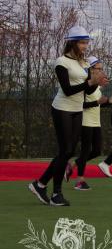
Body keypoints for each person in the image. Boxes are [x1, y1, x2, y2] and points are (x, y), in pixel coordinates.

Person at [28, 26, 107, 206]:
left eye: (86, 42)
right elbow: (68, 90)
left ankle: (40, 184)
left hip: (77, 109)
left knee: (68, 151)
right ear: (72, 43)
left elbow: (87, 91)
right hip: (62, 108)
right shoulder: (61, 62)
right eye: (82, 42)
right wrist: (90, 82)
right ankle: (56, 193)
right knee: (65, 150)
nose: (85, 46)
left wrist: (97, 83)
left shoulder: (84, 63)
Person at [70, 56, 112, 190]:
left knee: (97, 150)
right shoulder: (84, 84)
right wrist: (96, 102)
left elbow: (98, 104)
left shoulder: (96, 87)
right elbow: (80, 105)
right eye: (98, 68)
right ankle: (80, 180)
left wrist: (109, 101)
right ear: (90, 69)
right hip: (85, 121)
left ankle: (73, 164)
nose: (101, 71)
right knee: (85, 150)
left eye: (101, 68)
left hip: (95, 122)